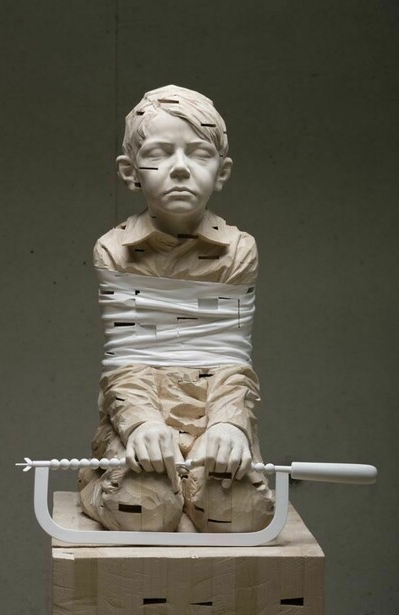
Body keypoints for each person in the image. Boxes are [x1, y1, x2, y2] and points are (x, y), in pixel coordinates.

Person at [78, 85, 274, 532]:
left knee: (237, 514)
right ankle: (104, 484)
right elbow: (127, 360)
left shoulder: (237, 250)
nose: (181, 168)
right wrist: (140, 424)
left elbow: (229, 358)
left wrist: (230, 425)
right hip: (138, 411)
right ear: (130, 172)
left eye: (199, 154)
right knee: (142, 509)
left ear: (222, 171)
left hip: (216, 412)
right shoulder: (115, 250)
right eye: (159, 154)